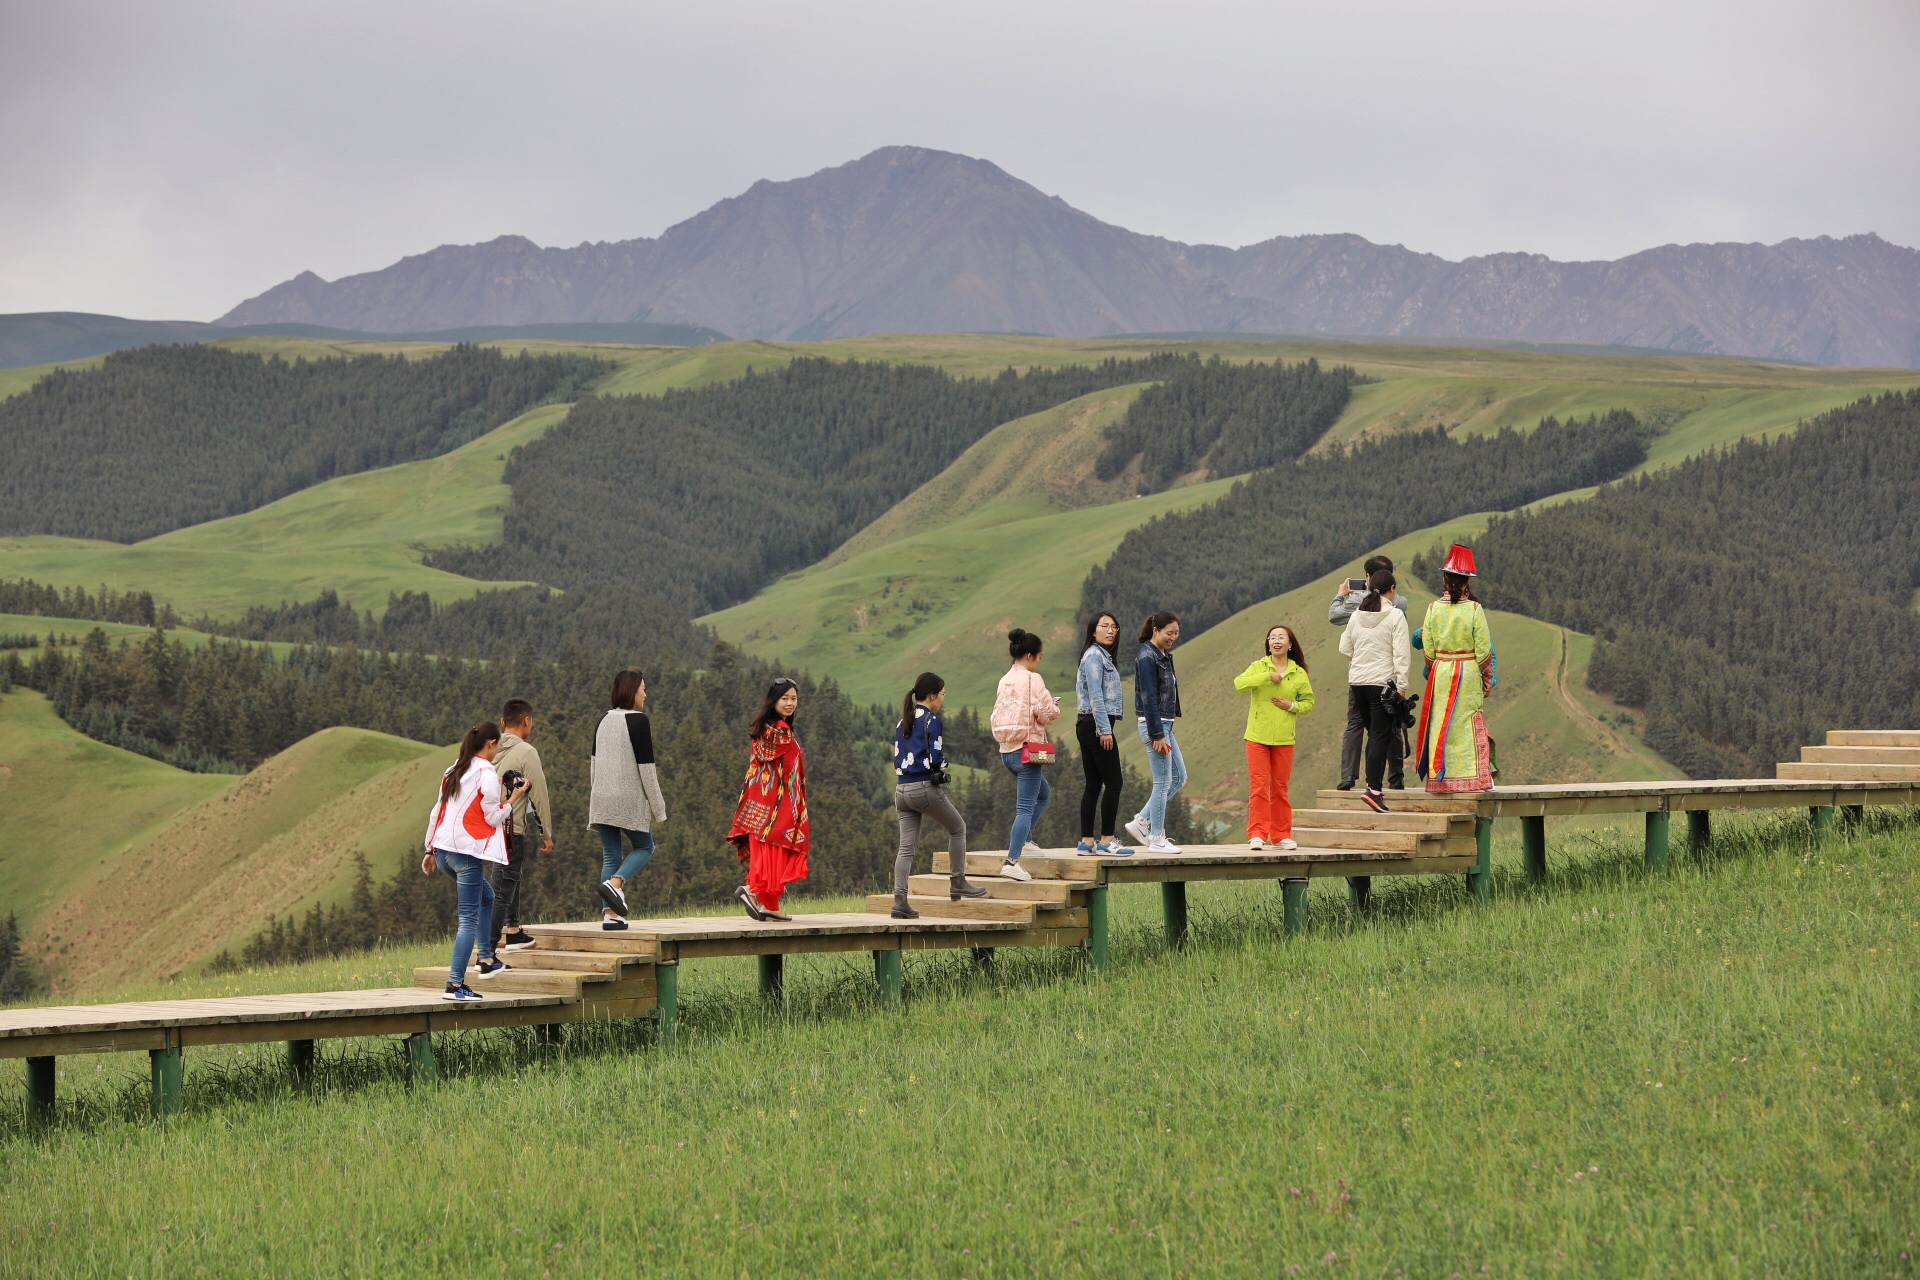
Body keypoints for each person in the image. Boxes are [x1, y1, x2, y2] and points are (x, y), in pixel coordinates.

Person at [421, 720, 527, 1001]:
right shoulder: (486, 773)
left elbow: (437, 812)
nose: (497, 752)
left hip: (443, 852)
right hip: (466, 854)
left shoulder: (454, 768)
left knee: (487, 897)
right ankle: (455, 985)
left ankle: (486, 958)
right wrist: (514, 798)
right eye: (498, 747)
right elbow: (492, 817)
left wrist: (430, 850)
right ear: (490, 744)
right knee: (467, 920)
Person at [890, 672, 986, 918]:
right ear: (931, 696)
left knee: (905, 849)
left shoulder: (903, 721)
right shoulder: (932, 720)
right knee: (958, 828)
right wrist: (944, 765)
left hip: (901, 791)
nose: (943, 699)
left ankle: (900, 901)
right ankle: (958, 882)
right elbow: (936, 757)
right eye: (943, 694)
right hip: (923, 788)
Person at [1415, 544, 1498, 794]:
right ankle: (1474, 777)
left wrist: (1435, 668)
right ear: (1466, 583)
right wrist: (1486, 679)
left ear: (1444, 578)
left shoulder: (1433, 608)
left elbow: (1428, 647)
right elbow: (1483, 649)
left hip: (1441, 671)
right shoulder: (1474, 609)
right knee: (1468, 721)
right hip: (1468, 671)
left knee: (1442, 721)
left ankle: (1443, 777)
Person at [589, 669, 667, 931]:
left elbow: (593, 766)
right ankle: (617, 883)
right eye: (643, 688)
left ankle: (610, 916)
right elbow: (647, 769)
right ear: (631, 691)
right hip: (628, 799)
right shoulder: (639, 721)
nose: (645, 693)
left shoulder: (602, 720)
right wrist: (658, 808)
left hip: (601, 797)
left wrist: (597, 797)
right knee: (645, 847)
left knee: (610, 855)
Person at [727, 677, 809, 920]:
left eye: (793, 698)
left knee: (766, 853)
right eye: (784, 698)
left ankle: (770, 906)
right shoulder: (781, 732)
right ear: (773, 700)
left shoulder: (763, 731)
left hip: (759, 806)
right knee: (779, 849)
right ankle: (752, 891)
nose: (790, 703)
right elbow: (786, 771)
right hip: (778, 806)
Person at [1329, 554, 1409, 791]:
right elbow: (1401, 652)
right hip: (1386, 681)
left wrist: (1341, 594)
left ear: (1367, 578)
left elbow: (1335, 618)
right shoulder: (1400, 605)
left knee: (1355, 725)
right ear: (1392, 585)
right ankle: (1394, 778)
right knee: (1387, 728)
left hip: (1359, 679)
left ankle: (1348, 777)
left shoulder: (1356, 606)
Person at [1233, 624, 1314, 850]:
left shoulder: (1298, 672)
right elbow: (1239, 684)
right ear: (1268, 643)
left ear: (1290, 644)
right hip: (1257, 736)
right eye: (1272, 638)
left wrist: (1292, 705)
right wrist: (1266, 677)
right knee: (1259, 786)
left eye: (1281, 638)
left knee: (1280, 787)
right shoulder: (1259, 666)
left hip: (1284, 738)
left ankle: (1281, 835)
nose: (1276, 641)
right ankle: (1257, 834)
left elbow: (1309, 703)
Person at [989, 628, 1061, 882]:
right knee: (1024, 809)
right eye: (1039, 657)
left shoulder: (1005, 679)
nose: (1039, 661)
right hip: (1029, 751)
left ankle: (1027, 839)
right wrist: (1055, 706)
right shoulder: (1033, 679)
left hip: (1007, 751)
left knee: (1044, 793)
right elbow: (1046, 714)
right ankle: (1012, 860)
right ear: (1030, 655)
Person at [490, 697, 552, 952]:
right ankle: (488, 949)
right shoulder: (527, 752)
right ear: (527, 721)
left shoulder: (489, 751)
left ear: (503, 723)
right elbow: (539, 795)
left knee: (509, 878)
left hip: (490, 830)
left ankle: (513, 931)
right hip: (511, 831)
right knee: (503, 888)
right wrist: (545, 833)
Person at [1126, 611, 1187, 853]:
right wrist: (1157, 734)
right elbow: (1148, 698)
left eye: (1176, 634)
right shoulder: (1146, 657)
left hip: (1165, 724)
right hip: (1155, 726)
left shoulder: (1162, 655)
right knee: (1162, 782)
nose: (1173, 637)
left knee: (1179, 777)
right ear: (1156, 631)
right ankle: (1157, 838)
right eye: (1169, 633)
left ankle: (1142, 822)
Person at [1073, 612, 1132, 856]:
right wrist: (1104, 730)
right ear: (1093, 630)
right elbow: (1096, 695)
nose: (1110, 630)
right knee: (1114, 783)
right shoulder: (1095, 656)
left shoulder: (1097, 656)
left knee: (1093, 785)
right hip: (1097, 724)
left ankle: (1087, 841)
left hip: (1087, 724)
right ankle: (1107, 840)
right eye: (1104, 626)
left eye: (1114, 627)